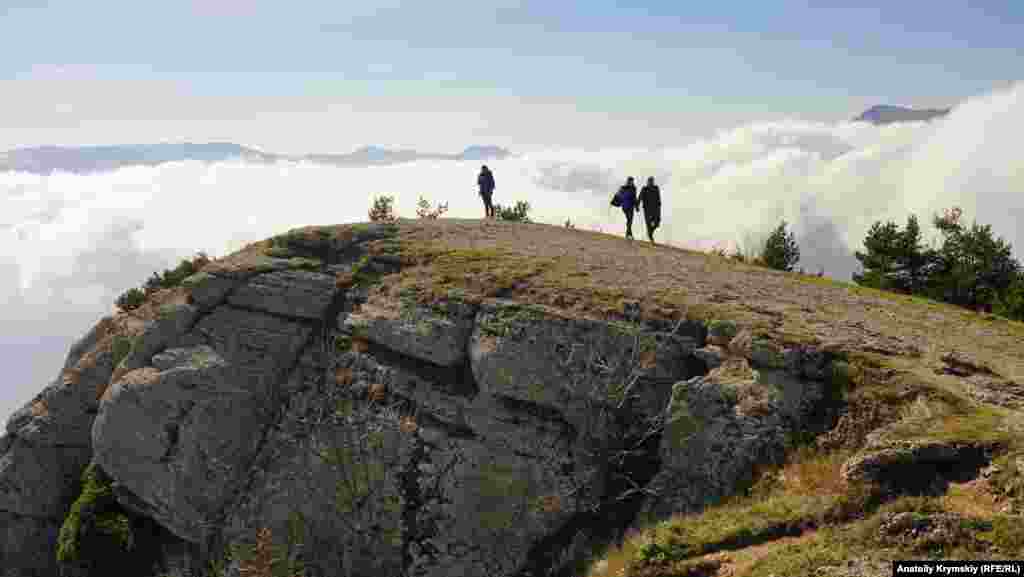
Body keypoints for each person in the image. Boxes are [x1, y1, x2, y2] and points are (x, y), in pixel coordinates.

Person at [639, 176, 662, 243]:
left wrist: (659, 206)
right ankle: (650, 237)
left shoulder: (656, 188)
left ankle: (650, 233)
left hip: (655, 208)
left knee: (657, 223)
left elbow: (658, 197)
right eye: (649, 181)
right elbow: (640, 197)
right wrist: (637, 205)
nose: (651, 182)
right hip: (647, 209)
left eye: (652, 181)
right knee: (648, 223)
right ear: (647, 182)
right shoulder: (644, 189)